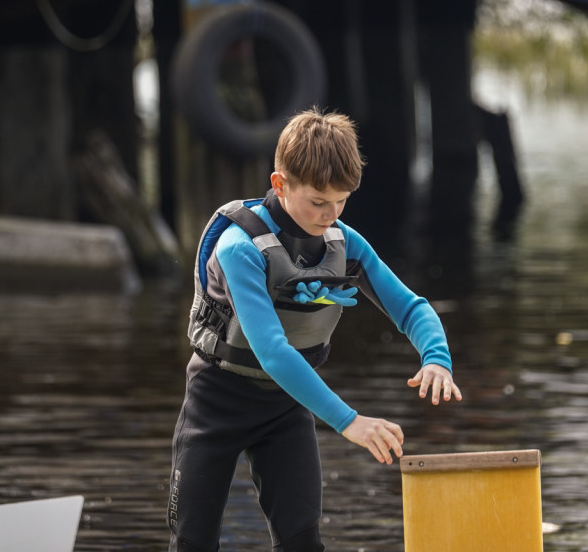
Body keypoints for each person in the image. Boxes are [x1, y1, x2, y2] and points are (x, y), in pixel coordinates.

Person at [168, 108, 462, 552]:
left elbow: (413, 308)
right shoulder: (239, 248)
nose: (331, 215)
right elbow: (273, 352)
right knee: (193, 543)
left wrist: (436, 358)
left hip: (285, 407)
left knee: (303, 541)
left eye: (342, 201)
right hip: (216, 402)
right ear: (280, 184)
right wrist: (350, 422)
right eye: (319, 202)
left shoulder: (346, 244)